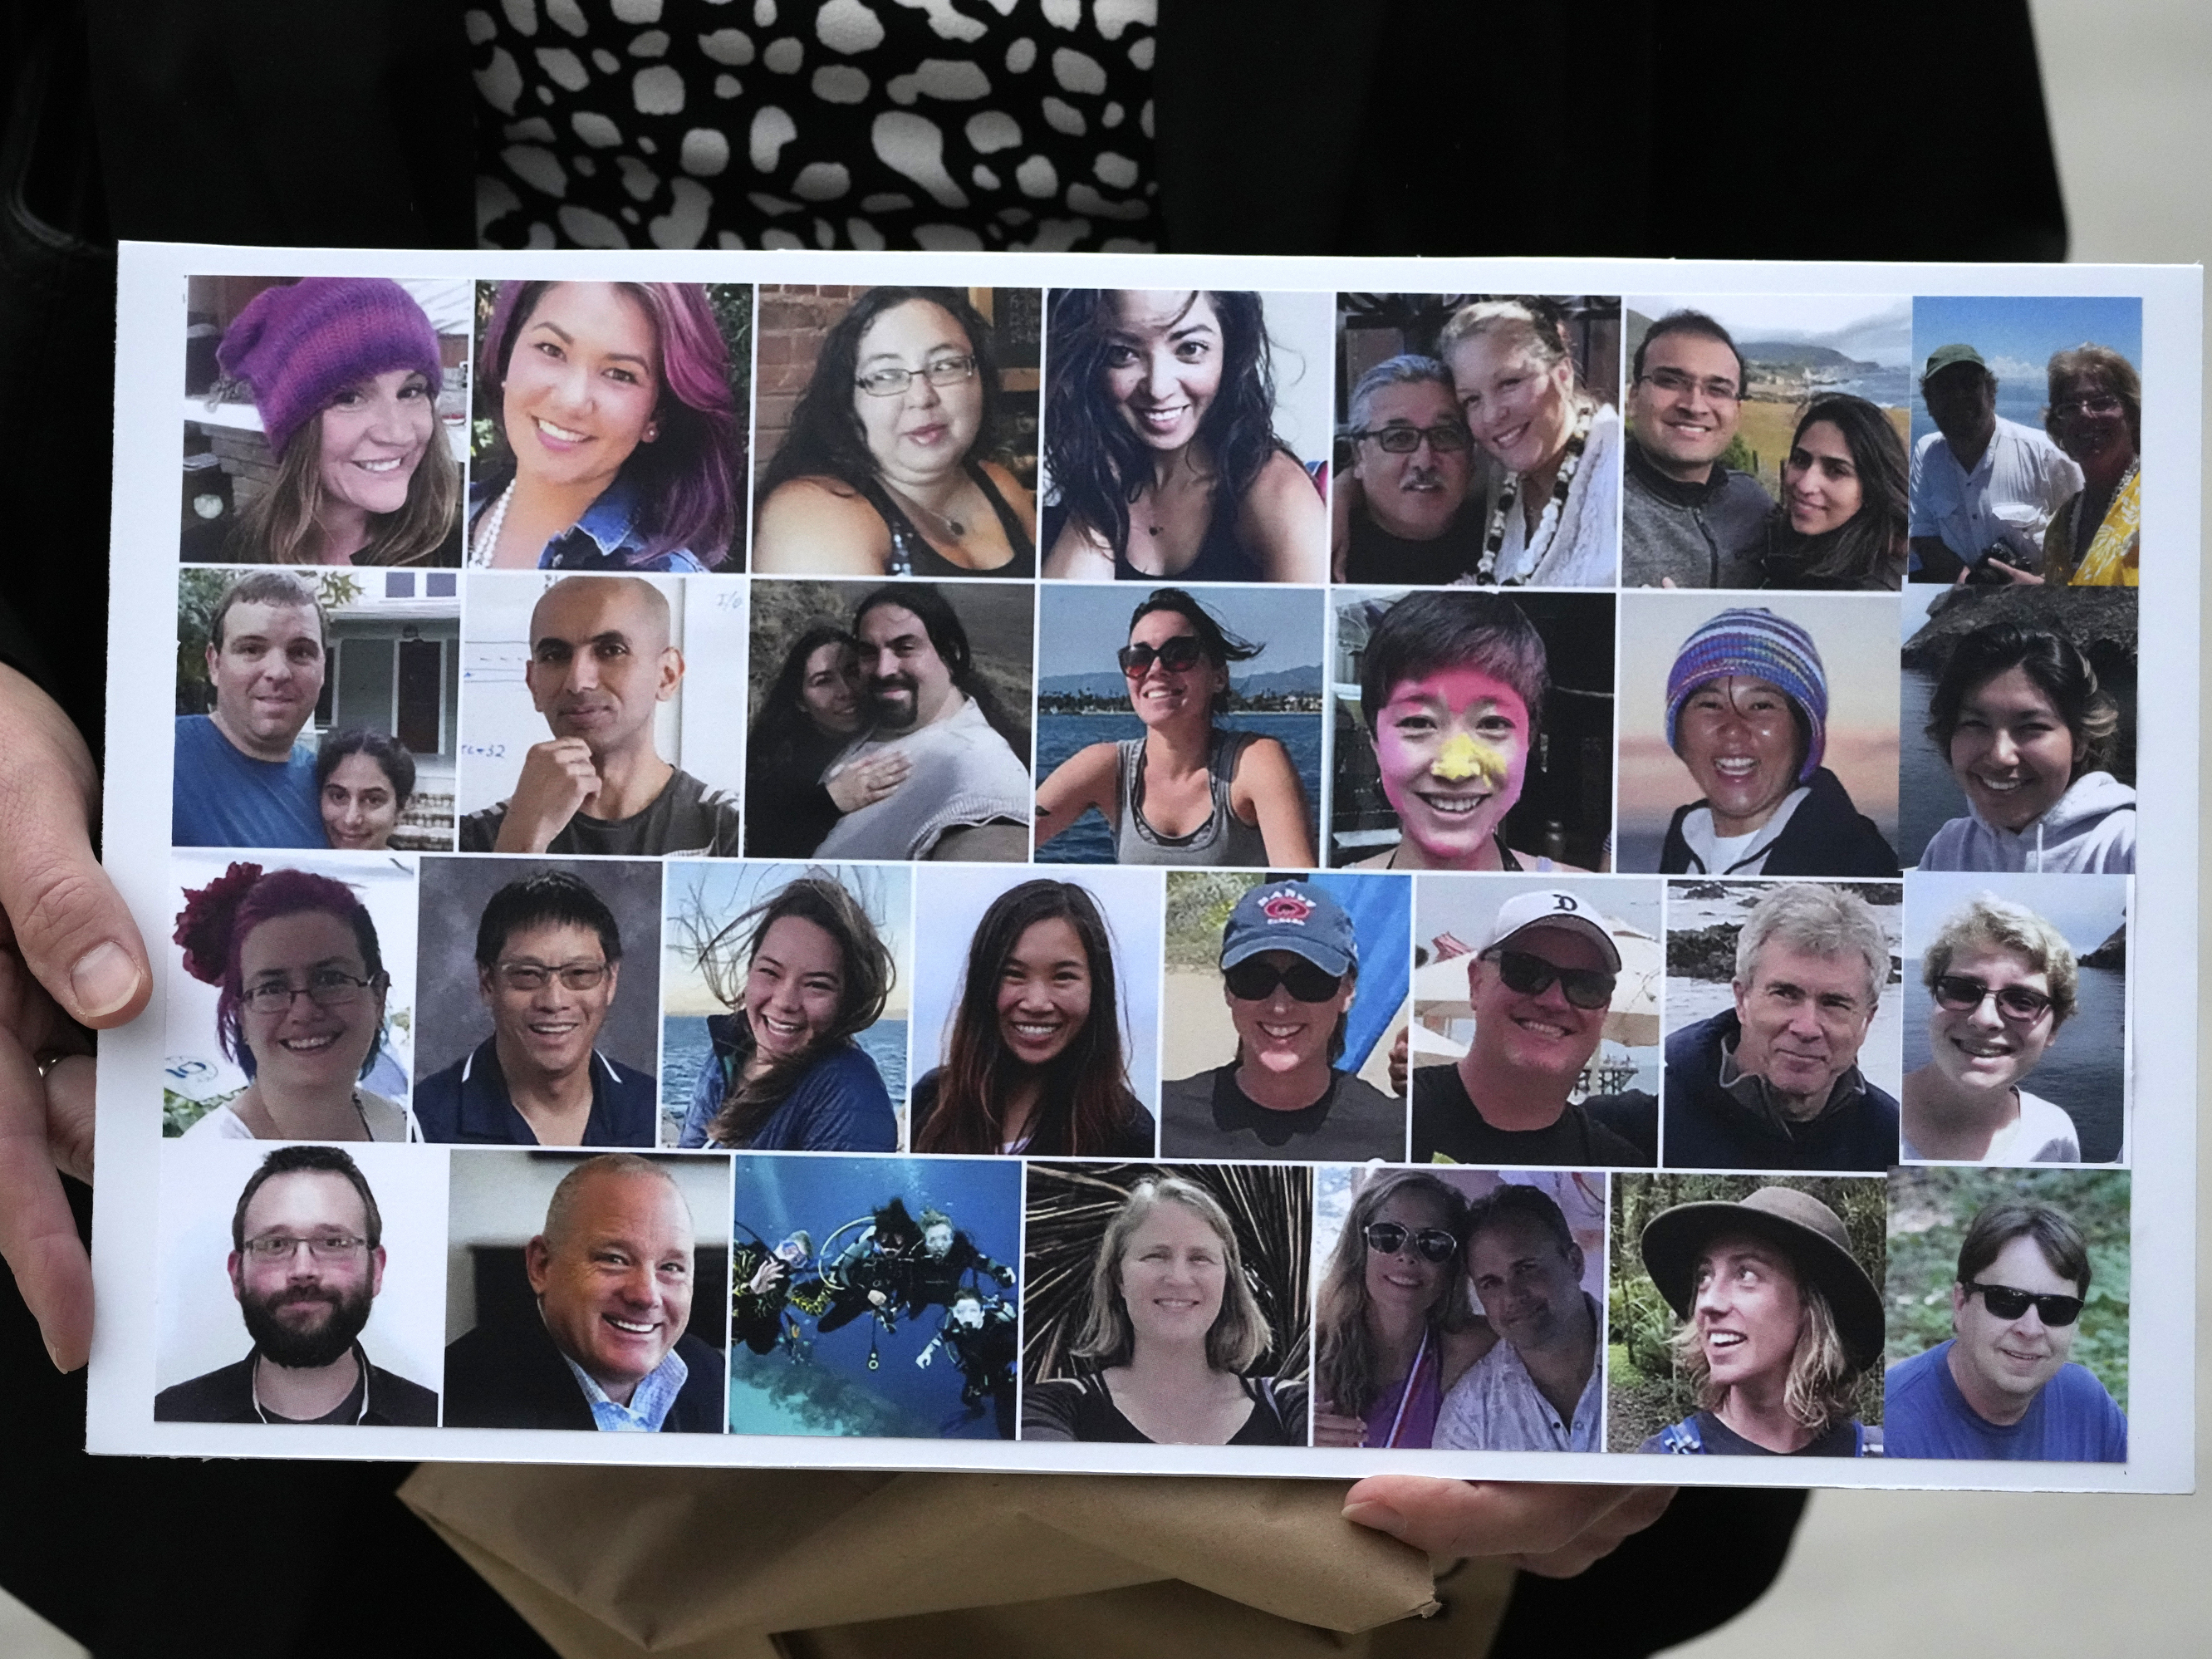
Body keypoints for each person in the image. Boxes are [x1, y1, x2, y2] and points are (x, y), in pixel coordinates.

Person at [1041, 288, 1327, 585]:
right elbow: (1066, 625)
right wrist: (1096, 498)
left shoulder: (1280, 494)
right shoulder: (1094, 476)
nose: (1158, 388)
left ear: (1231, 351)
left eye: (1190, 348)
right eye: (1122, 353)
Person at [753, 287, 1037, 578]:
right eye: (886, 376)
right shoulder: (812, 514)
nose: (921, 397)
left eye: (945, 365)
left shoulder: (1000, 484)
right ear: (847, 400)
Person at [180, 277, 461, 568]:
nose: (398, 433)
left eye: (411, 391)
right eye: (349, 398)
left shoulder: (458, 555)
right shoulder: (200, 555)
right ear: (294, 427)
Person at [468, 280, 741, 573]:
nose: (572, 401)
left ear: (656, 416)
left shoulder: (673, 577)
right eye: (551, 349)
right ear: (508, 353)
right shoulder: (445, 515)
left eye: (620, 374)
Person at [459, 575, 741, 856]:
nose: (578, 682)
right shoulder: (473, 837)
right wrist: (521, 842)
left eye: (611, 651)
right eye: (555, 655)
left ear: (667, 675)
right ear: (533, 684)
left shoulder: (730, 829)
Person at [155, 1145, 438, 1426]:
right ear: (237, 1275)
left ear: (376, 1270)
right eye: (275, 1244)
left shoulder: (432, 1418)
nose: (303, 1271)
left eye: (333, 1243)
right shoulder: (168, 1417)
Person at [442, 1154, 724, 1431]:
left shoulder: (710, 1371)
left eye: (671, 1267)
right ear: (542, 1266)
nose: (646, 1296)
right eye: (614, 1259)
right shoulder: (454, 1403)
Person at [1033, 587, 1314, 866]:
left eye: (1179, 653)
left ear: (1219, 677)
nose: (1155, 670)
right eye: (1138, 658)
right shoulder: (1106, 766)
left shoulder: (1255, 762)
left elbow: (1298, 885)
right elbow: (1016, 831)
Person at [1023, 1176, 1306, 1445]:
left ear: (1228, 1281)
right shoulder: (1052, 1406)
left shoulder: (1289, 1405)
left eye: (1200, 1258)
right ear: (1119, 1279)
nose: (1179, 1278)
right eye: (1156, 1256)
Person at [171, 861, 414, 1141]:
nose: (304, 1011)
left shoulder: (400, 1126)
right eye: (272, 988)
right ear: (242, 1017)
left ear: (378, 996)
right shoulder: (209, 1152)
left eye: (331, 979)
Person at [1663, 883, 1899, 1172]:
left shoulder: (1893, 1140)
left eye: (1834, 1003)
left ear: (1867, 1020)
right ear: (1742, 1000)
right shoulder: (1650, 1121)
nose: (1807, 1028)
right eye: (1786, 994)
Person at [1410, 888, 1655, 1167]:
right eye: (1526, 971)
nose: (1555, 1001)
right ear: (1476, 983)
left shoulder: (1618, 1163)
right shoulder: (1397, 1117)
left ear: (1604, 1009)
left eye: (1586, 986)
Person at [1160, 880, 1402, 1161]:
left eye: (1309, 980)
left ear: (1347, 991)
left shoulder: (1394, 1135)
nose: (1280, 1006)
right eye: (1254, 979)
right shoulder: (1162, 1120)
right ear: (1228, 989)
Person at [911, 879, 1155, 1157]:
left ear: (1096, 989)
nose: (1037, 1003)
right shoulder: (932, 1100)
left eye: (1063, 977)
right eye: (1014, 974)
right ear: (982, 983)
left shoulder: (1130, 1132)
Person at [1638, 1186, 1884, 1457]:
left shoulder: (1878, 1457)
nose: (1709, 1303)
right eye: (1704, 1277)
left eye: (1746, 1274)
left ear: (1810, 1305)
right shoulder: (1668, 1461)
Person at [413, 872, 655, 1147]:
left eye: (579, 972)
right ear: (487, 982)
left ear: (611, 982)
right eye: (527, 974)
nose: (554, 1001)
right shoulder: (420, 1122)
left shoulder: (652, 1111)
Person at [1346, 589, 1580, 872]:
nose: (1456, 770)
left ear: (1528, 740)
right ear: (1376, 742)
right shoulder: (1330, 899)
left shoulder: (1585, 903)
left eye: (1492, 724)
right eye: (1419, 723)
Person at [1655, 606, 1901, 876]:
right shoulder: (1682, 842)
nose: (1734, 730)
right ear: (1678, 732)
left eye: (1761, 705)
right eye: (1711, 705)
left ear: (1805, 732)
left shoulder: (1860, 866)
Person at [1885, 1199, 2126, 1462]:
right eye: (2007, 1301)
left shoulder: (2088, 1405)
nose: (2030, 1329)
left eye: (2057, 1309)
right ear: (1960, 1303)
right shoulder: (1892, 1427)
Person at [677, 874, 899, 1152]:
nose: (784, 1001)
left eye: (817, 985)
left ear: (846, 999)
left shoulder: (850, 1093)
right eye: (770, 972)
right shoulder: (726, 1053)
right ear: (750, 969)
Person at [812, 585, 1033, 862]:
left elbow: (995, 836)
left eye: (905, 648)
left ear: (950, 655)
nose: (884, 669)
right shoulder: (861, 719)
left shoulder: (979, 760)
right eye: (869, 652)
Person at [1917, 622, 2135, 873]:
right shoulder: (1949, 846)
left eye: (2032, 727)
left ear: (2081, 741)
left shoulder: (2127, 845)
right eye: (1975, 724)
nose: (2000, 756)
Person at [1435, 297, 1620, 587]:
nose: (1493, 415)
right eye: (1472, 399)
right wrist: (1344, 492)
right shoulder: (1494, 470)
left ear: (1563, 374)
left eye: (1509, 383)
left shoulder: (1621, 469)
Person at [1313, 1171, 1492, 1449]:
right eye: (1388, 1236)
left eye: (1433, 1243)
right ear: (1361, 1248)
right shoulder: (1308, 1344)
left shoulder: (1473, 1348)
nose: (1407, 1254)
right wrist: (1292, 1432)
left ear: (1453, 1266)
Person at [1901, 895, 2084, 1162]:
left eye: (2022, 1001)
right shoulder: (1872, 1119)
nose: (1984, 1019)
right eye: (1961, 990)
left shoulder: (2054, 1133)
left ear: (2054, 1029)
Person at [1435, 1185, 1602, 1453]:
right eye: (1491, 1283)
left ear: (1574, 1262)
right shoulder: (1469, 1415)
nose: (1512, 1295)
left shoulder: (1653, 1361)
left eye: (1525, 1268)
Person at [172, 569, 331, 850]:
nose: (278, 672)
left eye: (301, 652)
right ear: (215, 664)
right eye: (251, 649)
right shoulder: (155, 759)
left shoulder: (331, 789)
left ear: (322, 670)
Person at [1620, 311, 1773, 590]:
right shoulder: (1596, 506)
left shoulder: (1754, 503)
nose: (1695, 406)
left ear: (1737, 412)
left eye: (1717, 389)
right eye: (1670, 381)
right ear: (1633, 398)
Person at [1907, 343, 2081, 584]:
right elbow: (1924, 534)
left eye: (1969, 384)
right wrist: (1973, 585)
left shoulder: (2046, 455)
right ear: (1929, 402)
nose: (1958, 396)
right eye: (1945, 387)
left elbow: (2089, 543)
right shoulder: (1926, 453)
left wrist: (2040, 586)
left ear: (1991, 392)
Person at [742, 626, 910, 859]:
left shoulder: (900, 723)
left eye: (852, 672)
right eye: (823, 682)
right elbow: (766, 850)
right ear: (800, 701)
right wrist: (832, 800)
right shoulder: (771, 770)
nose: (845, 691)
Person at [1332, 356, 1485, 585]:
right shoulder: (1328, 548)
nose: (1424, 461)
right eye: (1399, 438)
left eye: (1445, 435)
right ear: (1359, 455)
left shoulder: (1507, 533)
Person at [1758, 394, 1910, 591]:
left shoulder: (1869, 592)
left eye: (1836, 471)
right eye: (1800, 460)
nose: (1805, 485)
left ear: (1872, 487)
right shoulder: (1785, 540)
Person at [2038, 346, 2141, 587]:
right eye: (2070, 407)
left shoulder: (2165, 503)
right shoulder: (2059, 528)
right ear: (2058, 426)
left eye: (2101, 403)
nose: (2084, 415)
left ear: (2133, 414)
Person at [916, 1287, 1019, 1440]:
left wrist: (1016, 1364)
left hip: (1004, 1376)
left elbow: (1019, 1339)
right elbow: (942, 1337)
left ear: (982, 1311)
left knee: (1005, 1420)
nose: (967, 1317)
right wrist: (927, 1352)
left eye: (972, 1311)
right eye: (960, 1312)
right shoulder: (957, 1328)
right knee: (967, 1398)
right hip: (976, 1371)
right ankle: (976, 1412)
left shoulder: (997, 1327)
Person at [316, 729, 416, 852]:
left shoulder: (415, 871)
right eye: (339, 797)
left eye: (373, 800)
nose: (350, 819)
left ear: (401, 808)